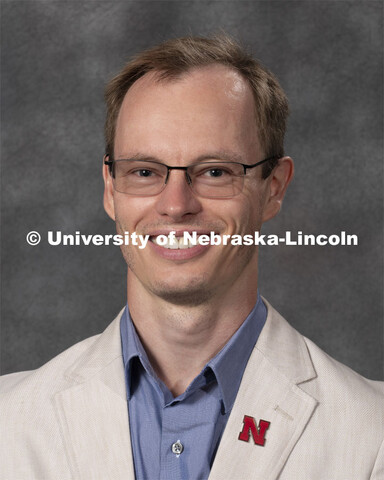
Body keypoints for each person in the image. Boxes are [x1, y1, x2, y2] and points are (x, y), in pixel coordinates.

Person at [1, 34, 383, 480]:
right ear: (110, 189)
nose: (176, 204)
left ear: (274, 188)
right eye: (144, 172)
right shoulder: (8, 423)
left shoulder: (373, 437)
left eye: (216, 172)